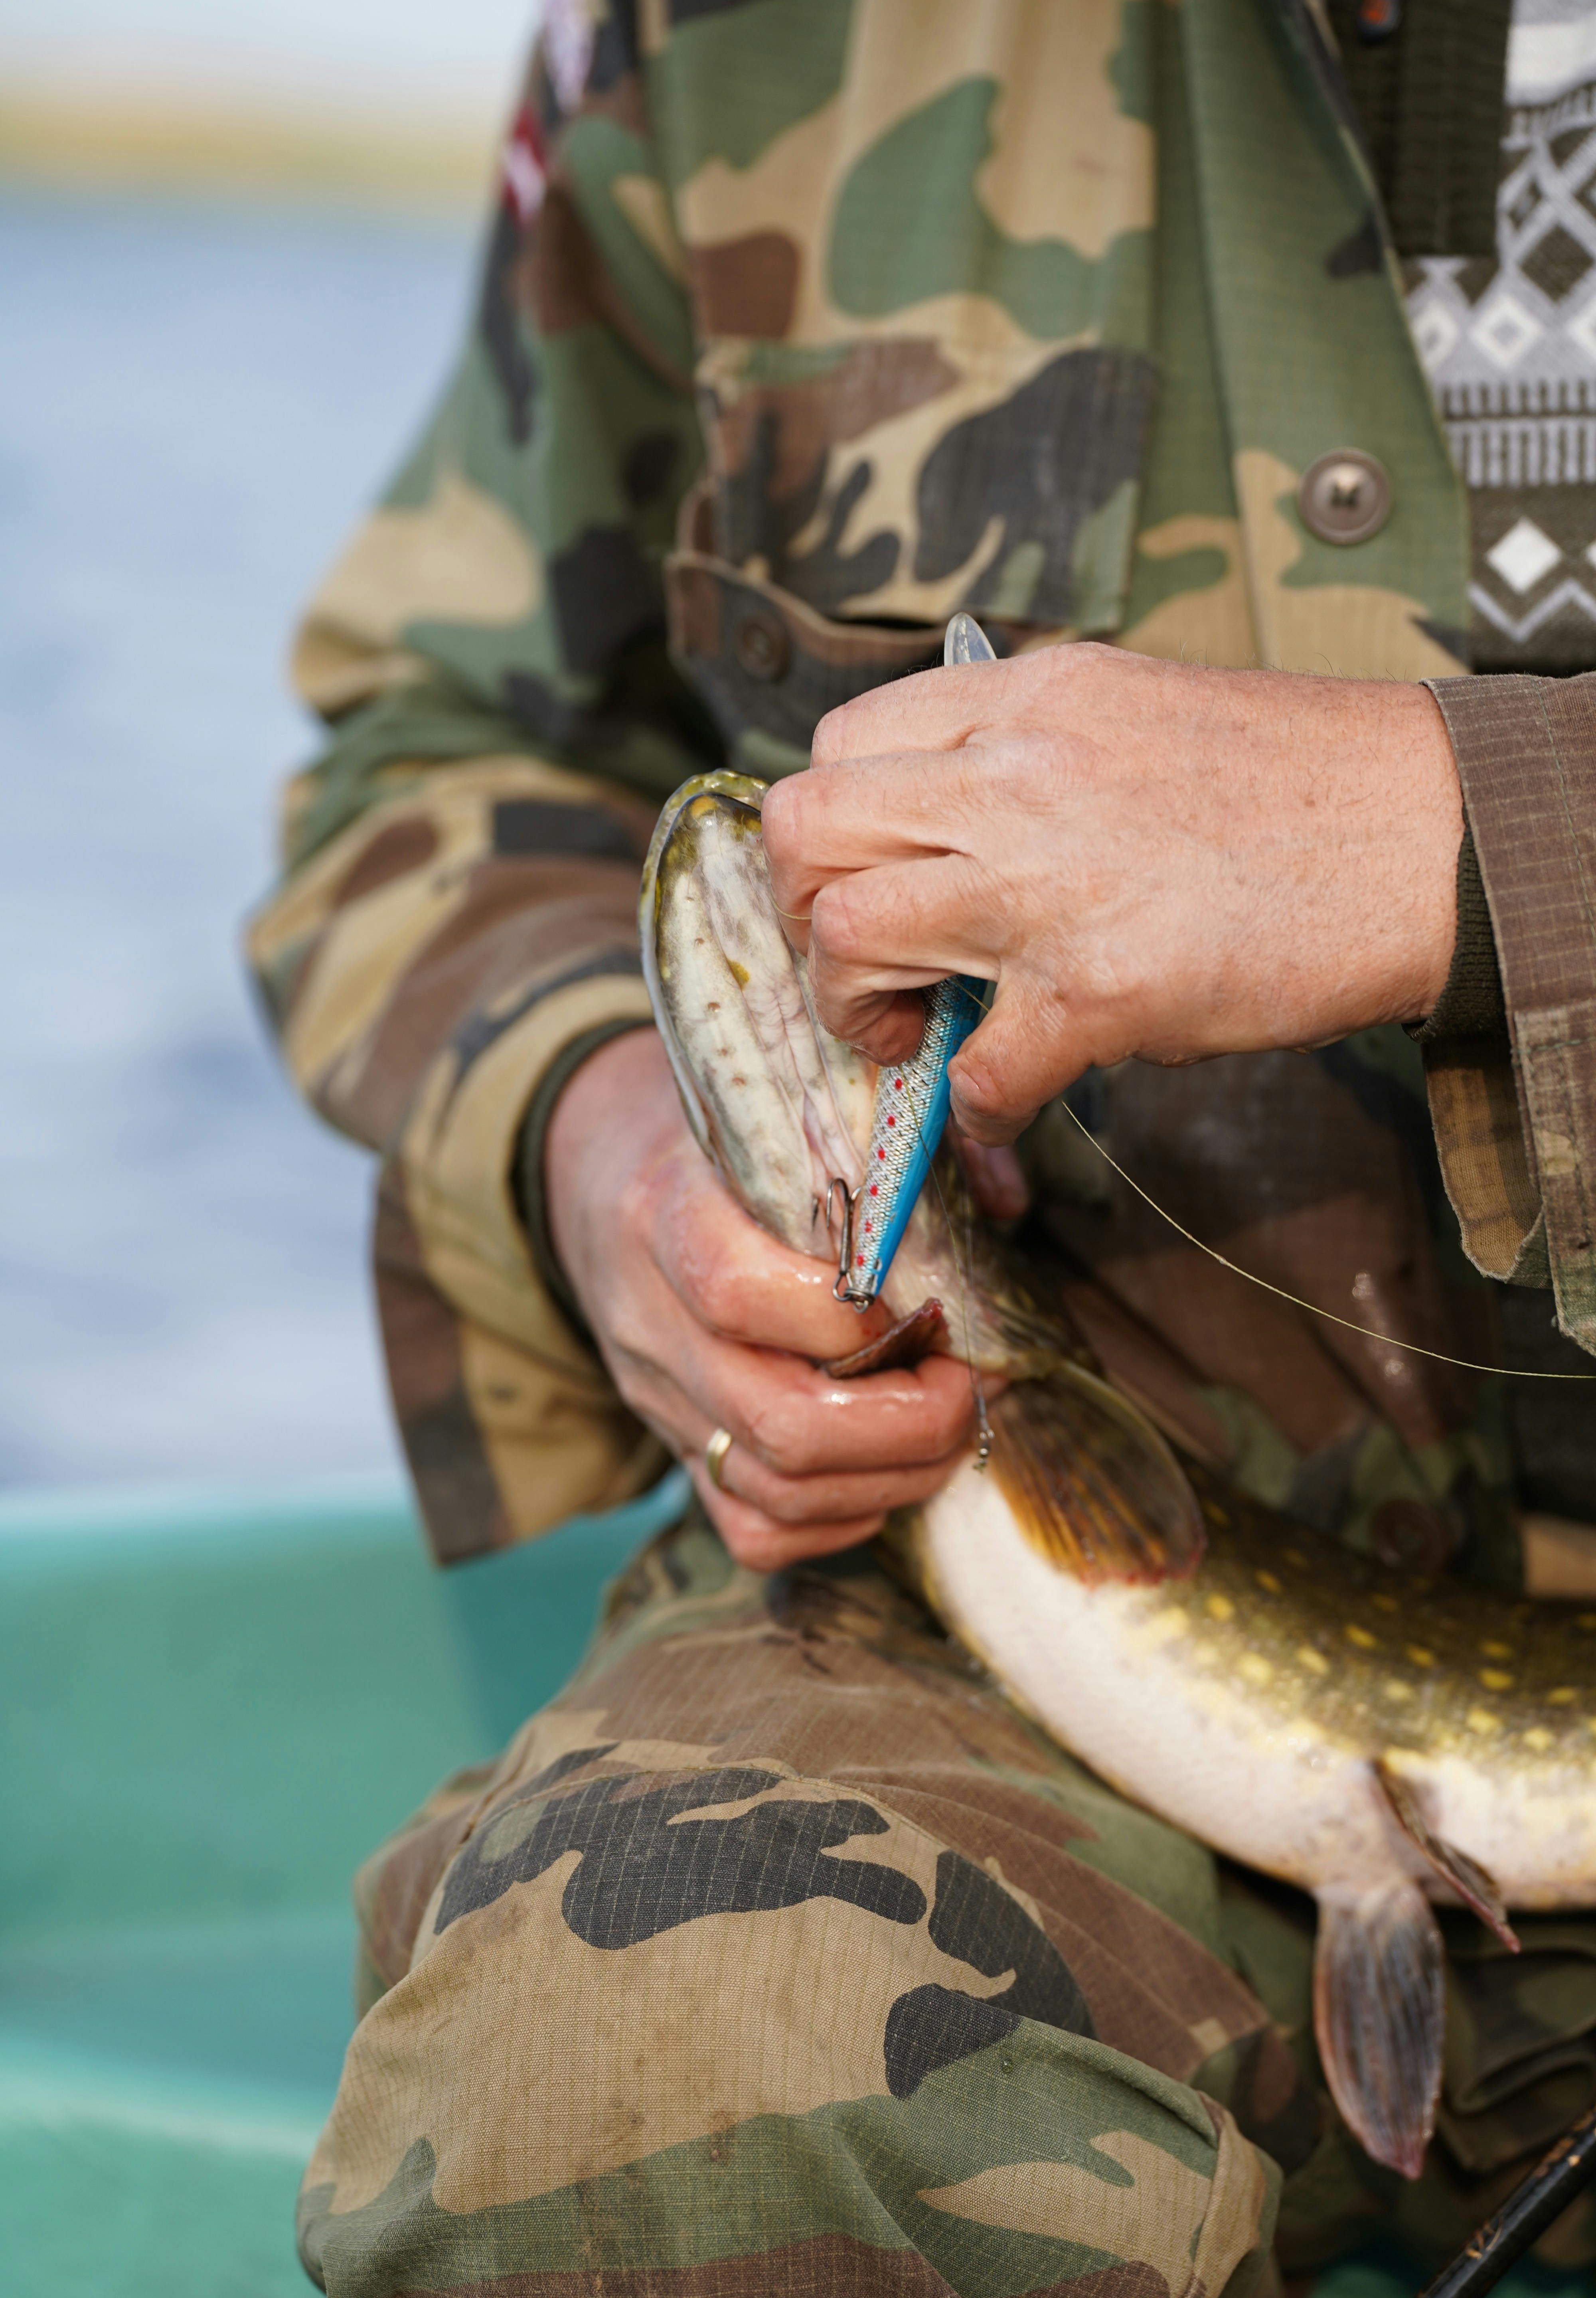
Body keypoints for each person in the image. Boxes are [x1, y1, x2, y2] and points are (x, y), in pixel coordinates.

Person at [253, 4, 1596, 2291]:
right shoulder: (711, 39)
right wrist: (605, 1151)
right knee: (645, 2067)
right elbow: (452, 745)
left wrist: (1463, 832)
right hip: (998, 1637)